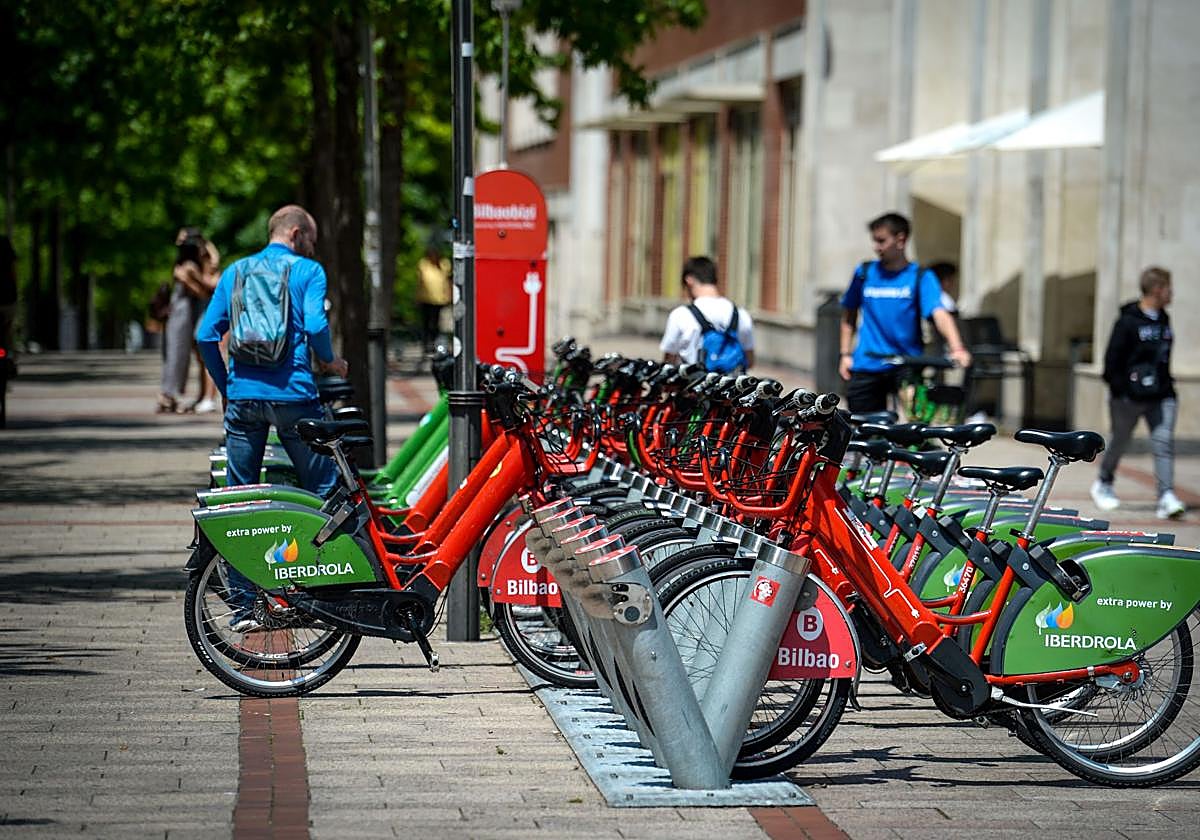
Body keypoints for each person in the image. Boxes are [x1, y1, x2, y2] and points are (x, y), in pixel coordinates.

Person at [196, 205, 349, 631]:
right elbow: (317, 323)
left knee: (239, 498)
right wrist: (330, 359)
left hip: (245, 397)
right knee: (323, 490)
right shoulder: (307, 272)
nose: (313, 248)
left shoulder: (236, 272)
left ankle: (245, 607)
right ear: (297, 233)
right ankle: (322, 594)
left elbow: (205, 335)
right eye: (312, 240)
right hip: (294, 396)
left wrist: (228, 388)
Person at [839, 213, 972, 412]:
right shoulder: (864, 273)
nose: (876, 246)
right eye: (874, 241)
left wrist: (957, 348)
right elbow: (849, 314)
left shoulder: (921, 277)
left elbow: (939, 313)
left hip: (907, 364)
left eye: (881, 240)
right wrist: (845, 354)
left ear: (901, 240)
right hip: (867, 363)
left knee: (914, 429)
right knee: (863, 432)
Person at [1090, 266, 1185, 520]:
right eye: (1168, 288)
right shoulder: (1127, 322)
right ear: (1157, 289)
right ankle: (1104, 482)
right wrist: (1122, 390)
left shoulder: (1164, 319)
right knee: (1120, 441)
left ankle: (1166, 495)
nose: (1171, 293)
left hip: (1161, 395)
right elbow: (1112, 361)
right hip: (1128, 398)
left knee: (1163, 443)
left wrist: (1165, 385)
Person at [157, 228, 217, 413]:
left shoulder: (202, 262)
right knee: (177, 352)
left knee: (195, 354)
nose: (180, 243)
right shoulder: (183, 265)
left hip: (192, 311)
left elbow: (208, 284)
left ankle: (197, 396)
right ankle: (170, 394)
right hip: (183, 313)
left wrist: (194, 276)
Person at [660, 255, 755, 369]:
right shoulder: (741, 315)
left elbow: (669, 361)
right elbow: (749, 360)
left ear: (689, 280)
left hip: (693, 384)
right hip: (731, 384)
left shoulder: (681, 315)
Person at [414, 244, 451, 353]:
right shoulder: (423, 264)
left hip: (439, 299)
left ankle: (435, 343)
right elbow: (419, 281)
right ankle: (426, 344)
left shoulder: (444, 264)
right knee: (425, 322)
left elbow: (447, 281)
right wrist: (416, 296)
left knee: (435, 323)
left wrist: (449, 294)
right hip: (425, 298)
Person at [0, 236, 17, 351]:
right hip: (8, 296)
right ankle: (11, 355)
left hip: (8, 296)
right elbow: (14, 272)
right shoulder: (5, 243)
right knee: (8, 327)